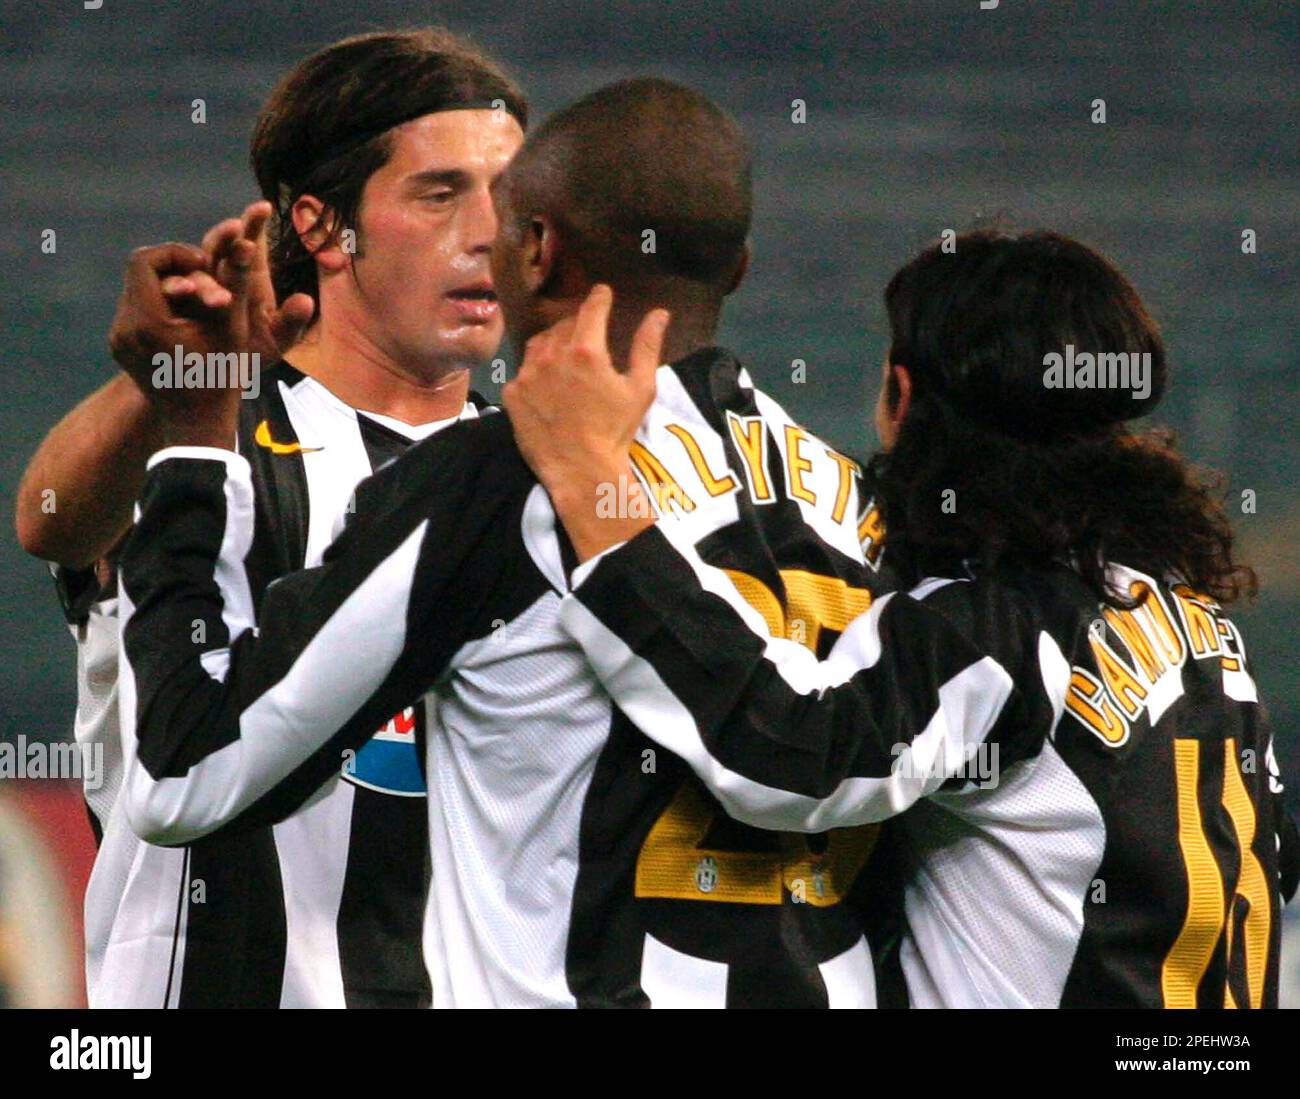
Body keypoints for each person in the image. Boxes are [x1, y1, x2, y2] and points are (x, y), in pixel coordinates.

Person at [114, 77, 890, 1007]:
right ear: (739, 268)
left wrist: (196, 440)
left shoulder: (506, 474)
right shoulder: (857, 501)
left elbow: (185, 777)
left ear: (536, 250)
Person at [506, 228, 1300, 1007]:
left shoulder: (996, 626)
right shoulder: (1203, 631)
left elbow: (789, 753)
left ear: (902, 395)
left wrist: (598, 499)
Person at [13, 28, 526, 1007]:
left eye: (510, 193)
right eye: (440, 193)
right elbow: (52, 519)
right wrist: (174, 380)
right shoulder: (217, 440)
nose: (487, 231)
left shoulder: (541, 475)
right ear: (325, 228)